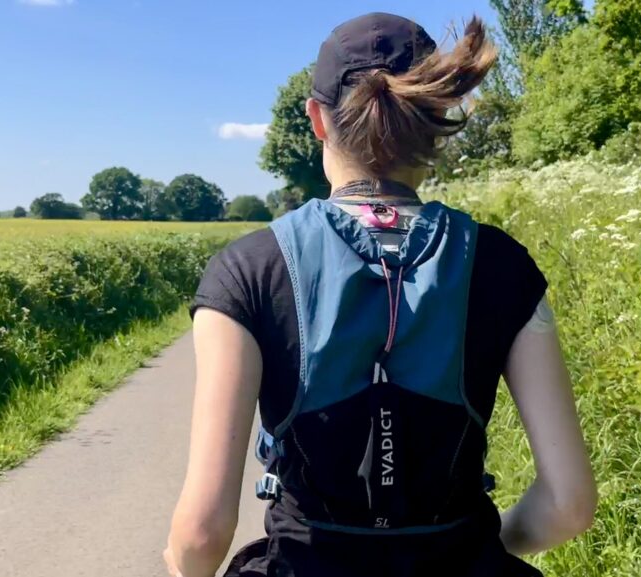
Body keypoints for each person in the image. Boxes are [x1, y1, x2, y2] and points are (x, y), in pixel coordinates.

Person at [165, 12, 596, 577]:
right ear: (435, 115)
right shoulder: (502, 264)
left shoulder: (248, 269)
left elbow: (201, 534)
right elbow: (569, 504)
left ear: (317, 119)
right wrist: (485, 552)